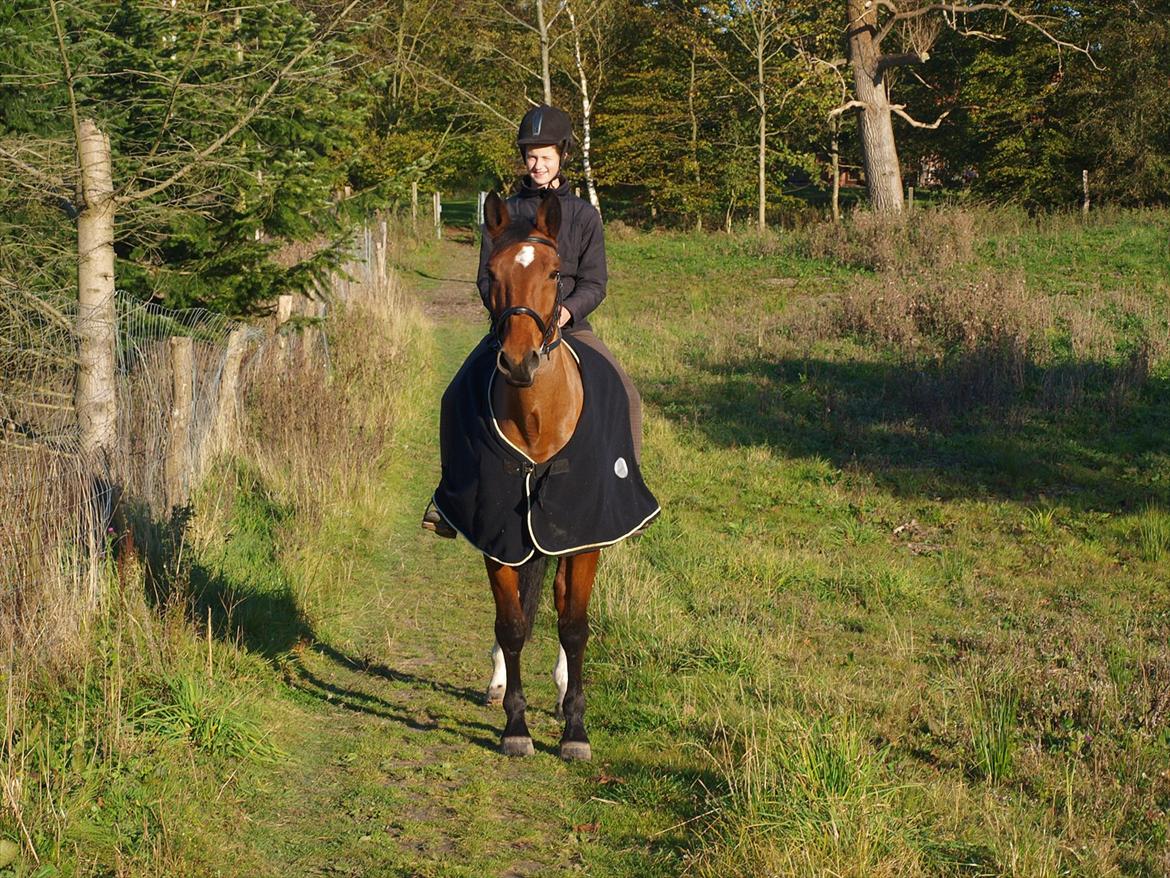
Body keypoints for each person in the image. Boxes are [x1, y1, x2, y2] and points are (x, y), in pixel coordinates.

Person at [423, 104, 642, 536]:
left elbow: (596, 282)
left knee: (628, 395)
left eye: (545, 155)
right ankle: (448, 500)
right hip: (513, 328)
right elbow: (486, 280)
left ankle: (625, 492)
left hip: (568, 327)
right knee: (454, 398)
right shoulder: (506, 212)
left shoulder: (583, 215)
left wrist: (566, 310)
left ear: (562, 155)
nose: (537, 164)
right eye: (530, 156)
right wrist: (507, 316)